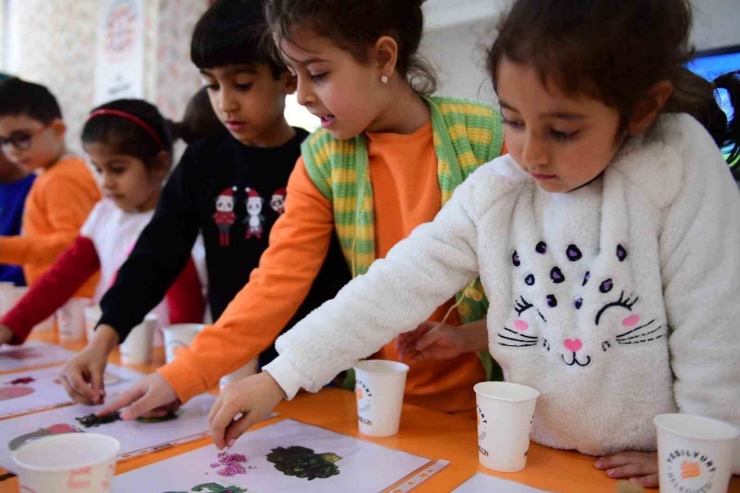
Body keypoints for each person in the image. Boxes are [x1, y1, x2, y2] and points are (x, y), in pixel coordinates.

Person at [205, 0, 740, 488]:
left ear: (642, 111)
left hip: (661, 461)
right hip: (530, 453)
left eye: (563, 131)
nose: (531, 155)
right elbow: (394, 284)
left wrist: (704, 444)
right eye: (512, 120)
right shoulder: (499, 187)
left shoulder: (673, 166)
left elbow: (714, 318)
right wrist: (281, 375)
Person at [96, 0, 506, 422]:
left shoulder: (489, 138)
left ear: (383, 56)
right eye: (295, 76)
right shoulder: (320, 160)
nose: (304, 96)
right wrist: (182, 375)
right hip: (367, 403)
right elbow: (276, 283)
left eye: (320, 74)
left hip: (497, 406)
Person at [59, 0, 350, 407]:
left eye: (242, 84)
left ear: (287, 77)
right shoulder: (202, 162)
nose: (225, 103)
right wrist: (101, 341)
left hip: (322, 366)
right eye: (212, 85)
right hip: (235, 360)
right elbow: (155, 255)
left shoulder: (319, 159)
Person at [0, 99, 205, 352]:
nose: (105, 182)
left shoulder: (176, 220)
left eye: (117, 169)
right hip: (107, 350)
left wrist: (178, 364)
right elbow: (62, 276)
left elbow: (187, 312)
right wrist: (12, 324)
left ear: (160, 165)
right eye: (97, 169)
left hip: (161, 356)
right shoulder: (103, 214)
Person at [0, 78, 101, 302]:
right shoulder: (51, 173)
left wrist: (4, 248)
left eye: (21, 138)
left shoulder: (63, 178)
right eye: (4, 141)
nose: (12, 151)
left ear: (57, 130)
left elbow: (72, 244)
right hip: (61, 300)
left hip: (74, 301)